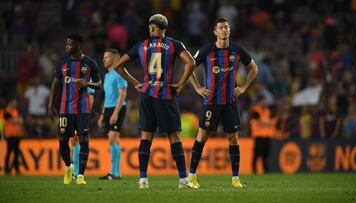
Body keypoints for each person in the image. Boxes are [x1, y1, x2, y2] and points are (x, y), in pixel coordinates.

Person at [114, 14, 197, 189]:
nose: (149, 29)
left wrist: (136, 83)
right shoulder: (174, 44)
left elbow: (118, 66)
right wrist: (181, 84)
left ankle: (143, 180)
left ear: (153, 28)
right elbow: (191, 63)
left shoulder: (142, 45)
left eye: (150, 26)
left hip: (146, 95)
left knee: (146, 137)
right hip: (165, 94)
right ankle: (183, 179)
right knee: (174, 137)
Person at [188, 17, 258, 188]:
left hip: (230, 103)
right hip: (211, 102)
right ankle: (191, 177)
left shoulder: (237, 50)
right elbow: (188, 66)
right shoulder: (206, 51)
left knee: (233, 139)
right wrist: (198, 88)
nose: (224, 30)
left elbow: (254, 68)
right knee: (202, 136)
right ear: (215, 31)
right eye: (221, 27)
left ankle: (235, 179)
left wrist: (243, 88)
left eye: (226, 27)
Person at [48, 33, 101, 185]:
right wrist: (50, 105)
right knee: (62, 141)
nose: (66, 46)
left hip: (83, 110)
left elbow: (99, 85)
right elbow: (55, 84)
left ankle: (80, 176)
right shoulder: (62, 63)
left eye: (69, 44)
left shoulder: (90, 63)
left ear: (78, 45)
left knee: (84, 140)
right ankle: (69, 167)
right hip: (65, 110)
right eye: (66, 44)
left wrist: (87, 83)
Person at [98, 49, 127, 180]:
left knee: (112, 140)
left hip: (118, 108)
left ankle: (114, 173)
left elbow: (122, 94)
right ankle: (117, 172)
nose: (104, 59)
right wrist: (103, 114)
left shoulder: (120, 73)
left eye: (107, 57)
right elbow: (107, 96)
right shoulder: (107, 75)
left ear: (115, 59)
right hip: (108, 108)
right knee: (115, 141)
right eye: (104, 57)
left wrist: (115, 114)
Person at [71, 86, 95, 180]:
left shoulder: (87, 75)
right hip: (72, 111)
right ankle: (75, 171)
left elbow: (91, 96)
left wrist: (87, 113)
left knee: (80, 139)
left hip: (82, 113)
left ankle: (77, 172)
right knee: (73, 140)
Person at [3, 98, 24, 175]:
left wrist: (17, 121)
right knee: (9, 152)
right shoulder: (6, 112)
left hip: (16, 135)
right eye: (14, 102)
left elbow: (20, 121)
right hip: (9, 135)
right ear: (10, 102)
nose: (15, 104)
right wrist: (17, 121)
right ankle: (6, 169)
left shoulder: (15, 111)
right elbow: (12, 121)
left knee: (15, 153)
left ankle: (16, 170)